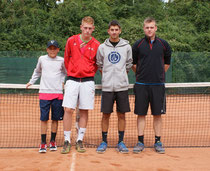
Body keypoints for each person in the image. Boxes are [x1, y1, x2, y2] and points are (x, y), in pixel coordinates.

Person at [132, 17, 172, 154]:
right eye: (147, 27)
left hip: (158, 85)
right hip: (141, 85)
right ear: (144, 28)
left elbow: (166, 64)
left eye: (152, 27)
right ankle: (140, 141)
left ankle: (158, 141)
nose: (149, 29)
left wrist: (157, 74)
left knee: (157, 115)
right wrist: (142, 74)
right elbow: (133, 64)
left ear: (156, 28)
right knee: (141, 114)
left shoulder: (164, 44)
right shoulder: (137, 45)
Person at [61, 16, 100, 154]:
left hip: (88, 81)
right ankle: (66, 140)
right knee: (68, 110)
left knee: (84, 110)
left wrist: (87, 72)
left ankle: (79, 140)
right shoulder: (71, 40)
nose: (87, 31)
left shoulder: (96, 44)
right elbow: (66, 59)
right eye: (85, 28)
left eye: (90, 28)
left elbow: (96, 64)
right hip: (72, 79)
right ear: (81, 27)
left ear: (93, 29)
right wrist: (73, 71)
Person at [96, 20, 133, 154]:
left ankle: (121, 142)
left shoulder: (127, 47)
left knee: (121, 115)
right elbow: (99, 64)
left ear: (120, 31)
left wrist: (121, 76)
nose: (114, 32)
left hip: (122, 87)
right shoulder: (102, 47)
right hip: (107, 88)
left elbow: (129, 64)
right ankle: (104, 141)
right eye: (112, 30)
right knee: (106, 115)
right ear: (108, 31)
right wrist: (106, 76)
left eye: (116, 29)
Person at [26, 40, 66, 153]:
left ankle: (53, 141)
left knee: (55, 119)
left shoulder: (62, 60)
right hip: (44, 93)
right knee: (44, 119)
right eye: (50, 48)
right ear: (47, 49)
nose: (52, 50)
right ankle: (43, 143)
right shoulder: (42, 59)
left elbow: (65, 72)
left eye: (55, 48)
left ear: (58, 50)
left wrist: (62, 81)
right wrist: (31, 82)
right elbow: (37, 71)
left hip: (58, 93)